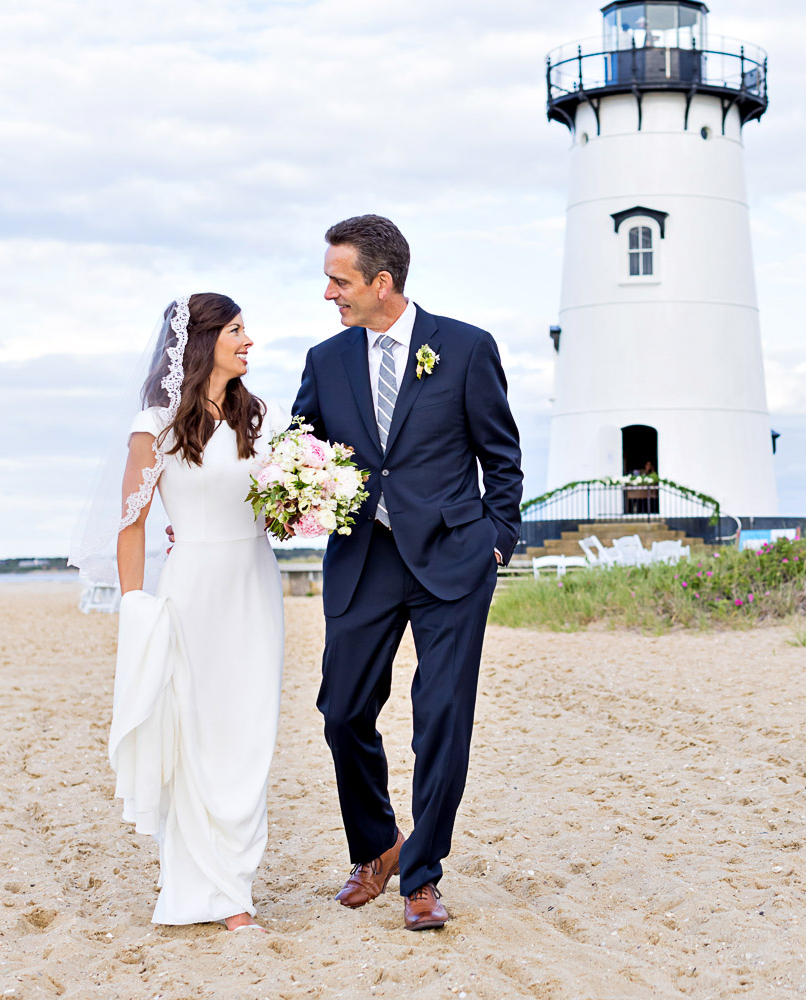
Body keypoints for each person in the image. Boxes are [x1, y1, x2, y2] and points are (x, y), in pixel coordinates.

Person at [291, 215, 523, 930]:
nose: (329, 293)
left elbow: (501, 454)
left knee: (442, 720)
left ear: (381, 282)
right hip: (364, 557)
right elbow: (306, 451)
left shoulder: (465, 347)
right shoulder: (326, 360)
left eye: (339, 280)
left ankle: (422, 875)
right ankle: (378, 845)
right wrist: (295, 492)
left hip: (453, 557)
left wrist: (497, 539)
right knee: (342, 714)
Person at [71, 294, 284, 932]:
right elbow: (131, 525)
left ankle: (236, 881)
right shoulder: (157, 423)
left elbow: (270, 505)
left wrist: (307, 502)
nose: (249, 341)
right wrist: (135, 604)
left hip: (255, 582)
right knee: (200, 731)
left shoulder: (255, 416)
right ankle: (218, 894)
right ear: (203, 339)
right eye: (238, 330)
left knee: (250, 731)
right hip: (193, 588)